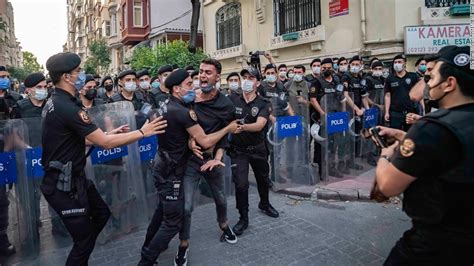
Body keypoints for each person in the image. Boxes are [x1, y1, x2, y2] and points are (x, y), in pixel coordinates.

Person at [41, 52, 167, 265]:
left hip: (76, 180)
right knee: (83, 241)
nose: (81, 75)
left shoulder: (57, 101)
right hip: (64, 186)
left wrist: (108, 134)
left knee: (101, 215)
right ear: (66, 77)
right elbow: (104, 144)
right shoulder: (67, 107)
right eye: (77, 72)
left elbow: (77, 140)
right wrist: (143, 133)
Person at [373, 46, 474, 265]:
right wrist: (402, 135)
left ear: (449, 84)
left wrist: (385, 154)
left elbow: (388, 187)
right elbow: (444, 152)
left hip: (433, 244)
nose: (427, 82)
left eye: (432, 77)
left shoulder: (429, 128)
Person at [139, 69, 238, 265]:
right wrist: (228, 128)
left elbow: (177, 132)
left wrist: (190, 141)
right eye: (188, 84)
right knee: (173, 221)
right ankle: (147, 259)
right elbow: (207, 140)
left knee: (162, 211)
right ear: (176, 89)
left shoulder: (167, 104)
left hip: (165, 164)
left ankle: (147, 249)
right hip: (172, 171)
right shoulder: (183, 111)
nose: (193, 86)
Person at [177, 59, 238, 265]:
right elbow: (181, 124)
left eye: (208, 72)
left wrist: (218, 159)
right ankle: (183, 245)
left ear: (217, 77)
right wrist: (189, 141)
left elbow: (225, 136)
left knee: (220, 198)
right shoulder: (189, 98)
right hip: (191, 161)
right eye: (201, 72)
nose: (202, 76)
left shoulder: (226, 104)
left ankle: (224, 225)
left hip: (213, 159)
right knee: (186, 207)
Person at [228, 67, 279, 237]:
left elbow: (260, 125)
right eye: (244, 77)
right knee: (241, 184)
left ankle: (264, 204)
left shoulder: (263, 103)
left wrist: (241, 127)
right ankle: (243, 218)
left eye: (251, 78)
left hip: (258, 149)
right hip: (238, 151)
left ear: (257, 82)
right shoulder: (231, 100)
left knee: (263, 179)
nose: (246, 81)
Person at [309, 58, 345, 178]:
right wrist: (322, 113)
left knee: (333, 144)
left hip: (335, 117)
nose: (326, 70)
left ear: (332, 68)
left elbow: (341, 97)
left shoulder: (336, 80)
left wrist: (343, 112)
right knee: (320, 145)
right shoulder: (316, 82)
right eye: (323, 68)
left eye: (328, 68)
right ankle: (320, 170)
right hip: (322, 118)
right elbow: (313, 100)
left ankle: (331, 167)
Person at [384, 54, 421, 131]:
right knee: (395, 135)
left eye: (399, 62)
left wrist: (422, 110)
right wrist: (387, 112)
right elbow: (387, 96)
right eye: (395, 62)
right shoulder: (390, 78)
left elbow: (419, 93)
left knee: (410, 136)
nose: (397, 64)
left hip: (410, 112)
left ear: (405, 63)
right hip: (395, 113)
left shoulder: (413, 76)